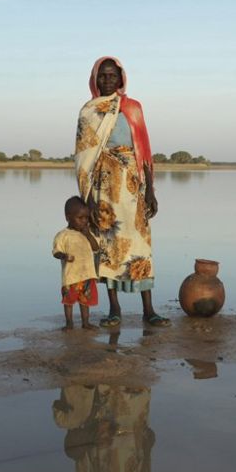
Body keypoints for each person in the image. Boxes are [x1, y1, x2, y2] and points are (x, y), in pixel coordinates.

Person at [74, 56, 170, 327]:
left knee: (140, 245)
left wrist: (150, 189)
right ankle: (114, 309)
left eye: (112, 76)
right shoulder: (89, 111)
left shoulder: (133, 108)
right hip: (103, 187)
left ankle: (148, 310)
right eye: (102, 76)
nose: (107, 80)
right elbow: (84, 156)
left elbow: (145, 151)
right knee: (109, 246)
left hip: (132, 186)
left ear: (121, 79)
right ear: (95, 79)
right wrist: (89, 200)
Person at [52, 196, 100, 330]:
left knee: (85, 301)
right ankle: (69, 323)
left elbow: (96, 248)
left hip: (87, 274)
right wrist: (64, 256)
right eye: (80, 218)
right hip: (71, 276)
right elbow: (56, 252)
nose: (84, 221)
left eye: (86, 218)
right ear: (68, 217)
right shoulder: (63, 235)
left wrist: (88, 235)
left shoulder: (87, 233)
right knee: (68, 301)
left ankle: (85, 322)